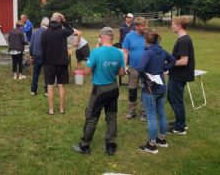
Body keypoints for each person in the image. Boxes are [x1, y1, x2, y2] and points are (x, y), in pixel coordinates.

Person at [72, 27, 125, 156]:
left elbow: (87, 71)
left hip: (100, 89)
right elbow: (122, 73)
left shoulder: (96, 52)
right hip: (113, 88)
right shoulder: (119, 53)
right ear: (111, 38)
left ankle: (84, 146)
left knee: (91, 117)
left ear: (101, 37)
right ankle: (110, 145)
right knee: (111, 117)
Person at [136, 29, 175, 154]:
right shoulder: (161, 51)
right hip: (162, 86)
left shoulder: (148, 52)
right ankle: (161, 139)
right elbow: (173, 60)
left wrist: (147, 78)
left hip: (150, 88)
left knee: (151, 116)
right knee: (162, 113)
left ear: (146, 40)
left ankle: (152, 145)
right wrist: (164, 68)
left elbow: (140, 68)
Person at [41, 12, 74, 115]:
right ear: (59, 20)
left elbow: (43, 51)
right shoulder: (63, 32)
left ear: (51, 20)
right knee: (61, 85)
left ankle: (51, 110)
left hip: (49, 63)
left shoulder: (45, 33)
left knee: (50, 86)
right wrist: (64, 21)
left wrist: (44, 63)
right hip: (62, 63)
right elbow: (71, 30)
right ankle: (61, 108)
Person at [167, 16, 195, 135]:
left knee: (176, 100)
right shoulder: (183, 39)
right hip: (177, 74)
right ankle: (180, 121)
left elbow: (184, 61)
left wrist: (169, 63)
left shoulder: (184, 40)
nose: (171, 26)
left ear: (179, 26)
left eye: (173, 24)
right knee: (171, 97)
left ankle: (180, 127)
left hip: (180, 75)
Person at [122, 17, 148, 121]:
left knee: (145, 91)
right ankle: (131, 111)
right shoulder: (129, 36)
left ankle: (144, 113)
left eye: (146, 25)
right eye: (143, 26)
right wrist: (124, 66)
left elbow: (155, 49)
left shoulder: (149, 35)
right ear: (137, 26)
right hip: (133, 68)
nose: (145, 27)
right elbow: (125, 51)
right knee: (132, 90)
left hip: (147, 68)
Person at [29, 17, 49, 96]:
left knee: (36, 73)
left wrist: (31, 54)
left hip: (36, 54)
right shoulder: (48, 32)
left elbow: (31, 45)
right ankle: (47, 91)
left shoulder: (35, 32)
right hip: (45, 55)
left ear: (41, 23)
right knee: (47, 73)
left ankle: (33, 90)